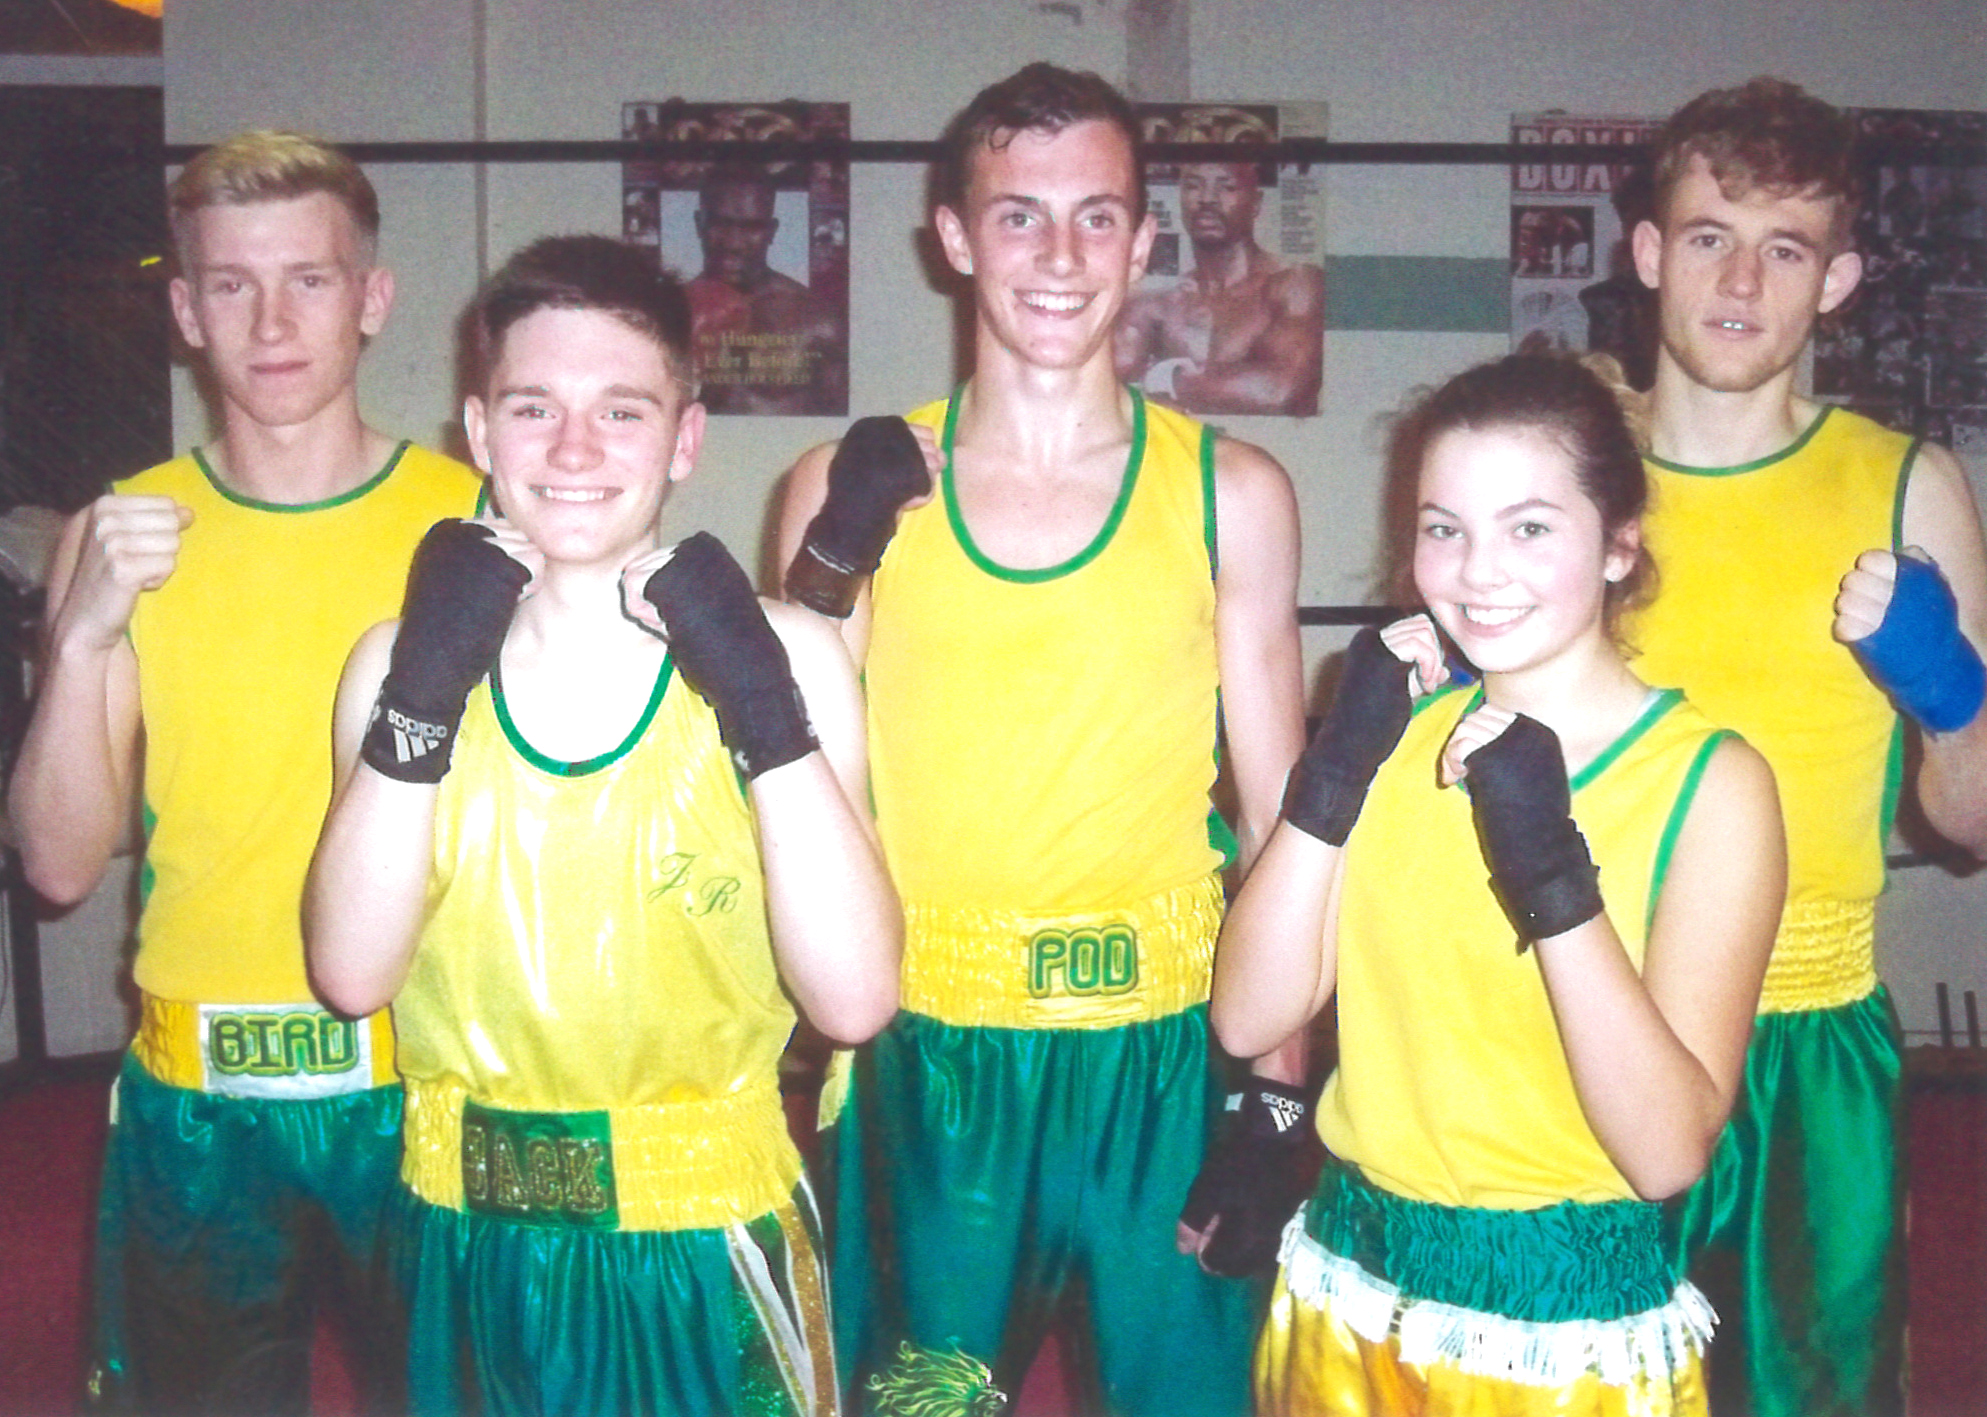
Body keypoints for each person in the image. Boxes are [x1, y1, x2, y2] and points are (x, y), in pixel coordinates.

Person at [776, 62, 1307, 1416]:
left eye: (1094, 216)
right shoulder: (842, 489)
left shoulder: (1228, 493)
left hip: (1165, 1046)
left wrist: (1279, 1093)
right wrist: (829, 568)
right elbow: (789, 790)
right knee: (917, 1403)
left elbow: (1286, 819)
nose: (1058, 255)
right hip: (932, 1051)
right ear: (952, 237)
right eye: (1018, 216)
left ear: (1141, 239)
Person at [305, 234, 899, 1416]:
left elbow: (855, 1000)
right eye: (533, 408)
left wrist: (765, 712)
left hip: (705, 1235)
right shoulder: (391, 662)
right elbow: (350, 975)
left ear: (684, 438)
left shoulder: (789, 655)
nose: (573, 449)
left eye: (621, 412)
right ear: (478, 432)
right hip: (462, 1233)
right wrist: (421, 699)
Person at [7, 130, 481, 1413]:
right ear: (184, 309)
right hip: (197, 1096)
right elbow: (55, 866)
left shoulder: (478, 527)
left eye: (310, 280)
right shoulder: (120, 539)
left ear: (372, 298)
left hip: (426, 1075)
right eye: (231, 283)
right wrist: (85, 628)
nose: (271, 320)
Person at [1214, 351, 1784, 1415]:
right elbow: (1251, 1014)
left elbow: (1665, 1151)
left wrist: (1551, 871)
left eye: (1528, 527)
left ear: (1618, 545)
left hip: (1561, 1329)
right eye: (1443, 528)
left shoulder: (1712, 785)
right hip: (1347, 1277)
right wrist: (1335, 770)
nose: (1477, 572)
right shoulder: (1399, 742)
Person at [1627, 77, 1987, 1417]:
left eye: (1783, 249)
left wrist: (1946, 692)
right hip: (1588, 1019)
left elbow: (1969, 821)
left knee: (1818, 1398)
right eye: (1708, 234)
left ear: (1832, 280)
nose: (1739, 279)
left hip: (1808, 1040)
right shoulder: (1562, 466)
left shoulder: (1905, 486)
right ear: (1648, 252)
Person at [1113, 159, 1325, 416]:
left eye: (1227, 187)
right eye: (1193, 186)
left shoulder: (1294, 284)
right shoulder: (1158, 304)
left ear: (1255, 203)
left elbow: (1278, 390)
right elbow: (1099, 386)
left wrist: (1164, 377)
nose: (1207, 199)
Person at [685, 163, 845, 415]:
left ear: (771, 231)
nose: (734, 243)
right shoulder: (668, 315)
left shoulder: (817, 319)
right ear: (699, 225)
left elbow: (843, 427)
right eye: (721, 224)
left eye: (751, 228)